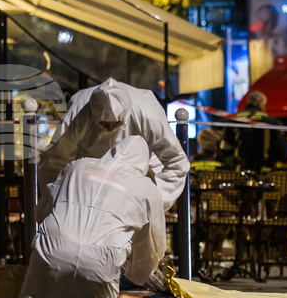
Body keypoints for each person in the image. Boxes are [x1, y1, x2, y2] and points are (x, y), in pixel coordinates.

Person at [3, 137, 167, 298]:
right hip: (102, 260)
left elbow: (43, 210)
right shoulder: (147, 187)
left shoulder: (77, 166)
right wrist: (136, 275)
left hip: (52, 248)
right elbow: (153, 245)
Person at [38, 78, 189, 212]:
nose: (110, 129)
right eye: (104, 125)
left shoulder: (148, 112)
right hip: (88, 185)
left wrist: (153, 202)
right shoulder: (77, 111)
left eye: (116, 124)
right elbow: (54, 161)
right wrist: (55, 202)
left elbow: (177, 162)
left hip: (141, 181)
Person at [221, 90, 286, 173]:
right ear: (260, 102)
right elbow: (280, 148)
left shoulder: (235, 118)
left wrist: (232, 162)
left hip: (240, 170)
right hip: (264, 170)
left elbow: (225, 147)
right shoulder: (269, 120)